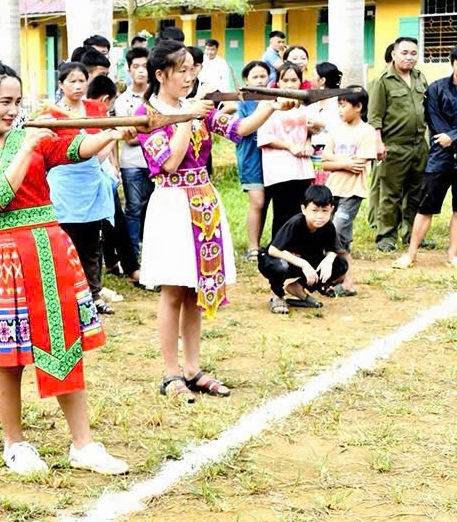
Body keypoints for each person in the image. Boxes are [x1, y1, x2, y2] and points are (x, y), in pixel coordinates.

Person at [0, 61, 131, 476]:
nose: (13, 110)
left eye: (17, 101)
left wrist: (111, 133)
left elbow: (71, 150)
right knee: (9, 359)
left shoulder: (29, 138)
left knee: (66, 345)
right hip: (4, 258)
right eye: (4, 102)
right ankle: (16, 444)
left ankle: (83, 444)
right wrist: (26, 146)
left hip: (50, 246)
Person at [138, 41, 282, 401]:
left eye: (192, 69)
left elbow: (240, 129)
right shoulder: (148, 115)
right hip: (172, 204)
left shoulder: (196, 105)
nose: (189, 77)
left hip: (204, 202)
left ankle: (192, 367)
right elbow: (169, 163)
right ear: (161, 75)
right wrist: (187, 116)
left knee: (195, 289)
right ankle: (171, 373)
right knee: (173, 291)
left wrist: (269, 105)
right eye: (181, 70)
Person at [392, 43, 457, 272]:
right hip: (439, 155)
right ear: (452, 64)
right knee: (426, 205)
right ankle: (411, 254)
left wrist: (452, 137)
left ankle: (453, 255)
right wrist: (445, 137)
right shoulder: (436, 88)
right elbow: (434, 119)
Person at [47, 62, 116, 314]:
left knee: (91, 242)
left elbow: (112, 134)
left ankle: (93, 294)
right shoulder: (52, 113)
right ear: (61, 84)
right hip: (64, 182)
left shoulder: (96, 108)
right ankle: (66, 297)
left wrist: (102, 157)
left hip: (91, 179)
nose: (77, 85)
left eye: (81, 80)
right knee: (64, 241)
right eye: (71, 81)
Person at [368, 37, 428, 251]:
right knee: (390, 194)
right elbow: (374, 116)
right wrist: (378, 143)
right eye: (404, 52)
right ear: (393, 54)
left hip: (420, 145)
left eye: (413, 53)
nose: (409, 57)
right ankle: (386, 236)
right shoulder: (382, 80)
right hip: (393, 146)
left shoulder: (420, 78)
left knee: (416, 192)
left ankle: (412, 234)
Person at [319, 88, 376, 293]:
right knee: (341, 237)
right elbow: (324, 162)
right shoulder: (336, 129)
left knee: (337, 229)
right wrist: (344, 162)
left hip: (353, 192)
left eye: (344, 105)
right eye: (339, 105)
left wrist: (335, 160)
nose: (340, 110)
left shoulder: (367, 131)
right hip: (332, 189)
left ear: (358, 107)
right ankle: (345, 281)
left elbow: (359, 164)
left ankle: (339, 277)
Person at [260, 184, 348, 314]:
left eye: (325, 211)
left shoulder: (328, 226)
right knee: (280, 266)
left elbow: (334, 248)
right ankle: (277, 295)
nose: (320, 216)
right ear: (304, 209)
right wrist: (303, 264)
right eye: (315, 210)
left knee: (340, 264)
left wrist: (329, 260)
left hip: (303, 262)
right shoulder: (295, 223)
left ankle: (297, 288)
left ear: (331, 210)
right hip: (277, 261)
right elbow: (273, 250)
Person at [90, 75, 138, 291]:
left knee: (110, 227)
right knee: (112, 226)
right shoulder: (93, 116)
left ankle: (116, 266)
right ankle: (129, 269)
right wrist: (114, 138)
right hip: (94, 181)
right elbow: (96, 155)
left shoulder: (92, 114)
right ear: (106, 99)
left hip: (103, 179)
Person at [258, 63, 317, 239]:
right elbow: (264, 137)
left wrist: (307, 141)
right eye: (285, 80)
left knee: (301, 211)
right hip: (279, 169)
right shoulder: (269, 105)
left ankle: (298, 248)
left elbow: (313, 129)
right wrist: (290, 146)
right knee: (283, 212)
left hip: (302, 168)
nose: (290, 85)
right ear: (278, 82)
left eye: (294, 80)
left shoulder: (305, 105)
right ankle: (279, 249)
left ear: (300, 82)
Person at [115, 47, 151, 281]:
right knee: (134, 210)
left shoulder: (156, 97)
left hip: (158, 163)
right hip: (132, 164)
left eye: (145, 66)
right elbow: (129, 139)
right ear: (128, 70)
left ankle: (152, 258)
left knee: (153, 211)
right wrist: (153, 132)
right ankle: (133, 261)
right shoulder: (123, 101)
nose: (141, 71)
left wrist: (146, 133)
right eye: (136, 66)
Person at [233, 61, 272, 258]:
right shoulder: (242, 102)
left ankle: (264, 243)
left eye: (263, 76)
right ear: (247, 80)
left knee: (265, 203)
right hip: (251, 158)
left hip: (273, 159)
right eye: (255, 77)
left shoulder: (275, 98)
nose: (259, 80)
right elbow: (241, 128)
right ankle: (253, 247)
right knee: (257, 201)